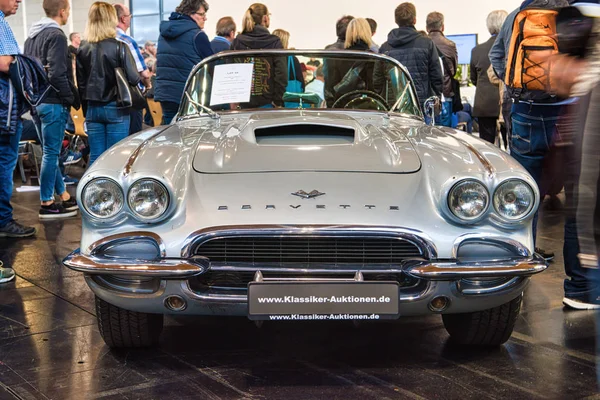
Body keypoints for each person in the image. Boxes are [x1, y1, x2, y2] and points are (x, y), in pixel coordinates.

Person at [489, 0, 570, 261]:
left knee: (525, 190)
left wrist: (516, 87)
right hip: (565, 111)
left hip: (526, 111)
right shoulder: (570, 12)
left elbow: (495, 56)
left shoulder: (516, 15)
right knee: (577, 192)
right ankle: (578, 278)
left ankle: (524, 255)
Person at [24, 0, 79, 219]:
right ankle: (46, 202)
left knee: (49, 153)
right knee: (50, 154)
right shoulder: (56, 36)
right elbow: (57, 73)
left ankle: (62, 195)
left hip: (36, 103)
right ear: (63, 11)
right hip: (53, 102)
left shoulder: (31, 37)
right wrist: (69, 97)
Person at [76, 1, 140, 166]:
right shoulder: (120, 47)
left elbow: (81, 84)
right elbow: (134, 78)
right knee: (115, 158)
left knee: (96, 157)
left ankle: (92, 191)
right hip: (116, 108)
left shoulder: (82, 48)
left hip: (92, 108)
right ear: (111, 19)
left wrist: (86, 110)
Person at [0, 0, 35, 284]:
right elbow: (3, 61)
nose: (18, 1)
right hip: (3, 112)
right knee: (3, 165)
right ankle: (3, 220)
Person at [155, 0, 213, 124]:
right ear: (190, 13)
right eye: (202, 14)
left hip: (166, 93)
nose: (205, 18)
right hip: (188, 96)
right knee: (190, 137)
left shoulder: (163, 34)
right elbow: (212, 65)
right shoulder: (198, 35)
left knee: (170, 133)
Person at [379, 2, 443, 109]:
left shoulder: (384, 48)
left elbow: (378, 80)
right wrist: (436, 99)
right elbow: (436, 76)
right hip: (421, 105)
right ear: (414, 20)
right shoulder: (427, 44)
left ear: (396, 21)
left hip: (394, 107)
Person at [230, 3, 286, 108]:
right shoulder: (274, 42)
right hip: (268, 103)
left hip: (243, 104)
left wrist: (234, 100)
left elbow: (232, 71)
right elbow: (281, 74)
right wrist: (277, 100)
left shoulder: (238, 41)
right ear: (265, 18)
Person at [470, 10, 507, 145]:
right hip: (505, 103)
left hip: (484, 104)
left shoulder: (476, 50)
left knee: (487, 147)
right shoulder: (509, 47)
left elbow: (473, 79)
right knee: (510, 147)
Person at [114, 3, 151, 135]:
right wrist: (148, 86)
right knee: (133, 138)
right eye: (129, 16)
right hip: (131, 98)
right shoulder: (127, 41)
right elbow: (143, 73)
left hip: (111, 98)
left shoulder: (103, 40)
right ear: (123, 18)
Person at [426, 11, 458, 127]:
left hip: (428, 96)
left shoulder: (423, 44)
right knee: (445, 134)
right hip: (445, 93)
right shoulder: (450, 45)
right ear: (442, 27)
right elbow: (453, 71)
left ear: (426, 27)